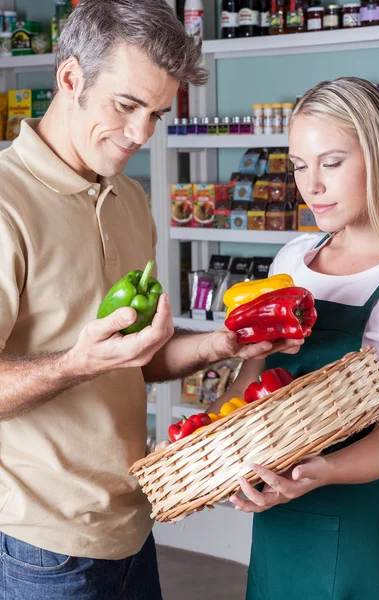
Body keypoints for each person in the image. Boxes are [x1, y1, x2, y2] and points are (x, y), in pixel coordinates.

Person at [0, 0, 303, 598]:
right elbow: (87, 365)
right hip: (41, 548)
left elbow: (137, 363)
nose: (140, 134)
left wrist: (225, 342)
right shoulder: (7, 205)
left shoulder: (130, 199)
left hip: (134, 524)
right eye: (127, 104)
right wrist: (73, 364)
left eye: (157, 114)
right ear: (70, 78)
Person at [211, 77, 379, 599]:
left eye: (332, 163)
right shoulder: (292, 261)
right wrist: (217, 452)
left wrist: (322, 471)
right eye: (298, 165)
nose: (310, 185)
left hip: (363, 512)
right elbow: (247, 390)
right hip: (279, 510)